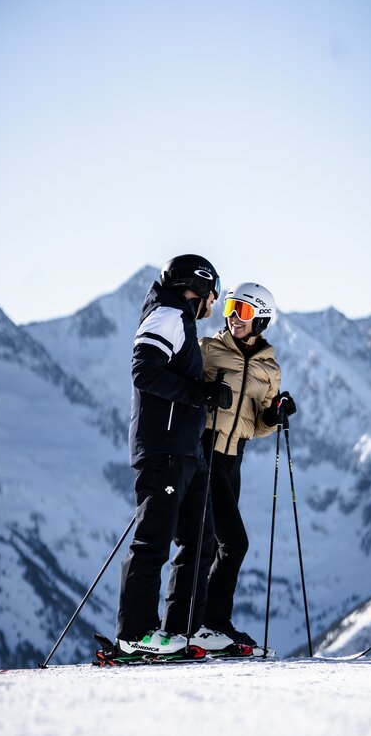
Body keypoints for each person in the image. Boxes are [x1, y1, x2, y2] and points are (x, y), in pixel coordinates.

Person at [115, 254, 234, 658]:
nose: (211, 307)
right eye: (211, 297)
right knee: (153, 541)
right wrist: (197, 393)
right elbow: (143, 371)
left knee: (199, 542)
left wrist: (202, 393)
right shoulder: (166, 314)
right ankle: (135, 633)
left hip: (186, 450)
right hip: (164, 448)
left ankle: (184, 629)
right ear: (198, 288)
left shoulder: (179, 319)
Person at [198, 282, 296, 655]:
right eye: (231, 308)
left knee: (222, 542)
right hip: (204, 451)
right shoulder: (207, 350)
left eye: (243, 311)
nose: (234, 317)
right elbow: (186, 392)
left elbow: (257, 425)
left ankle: (207, 625)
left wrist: (275, 414)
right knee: (232, 542)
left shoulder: (269, 368)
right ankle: (211, 624)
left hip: (232, 457)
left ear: (261, 319)